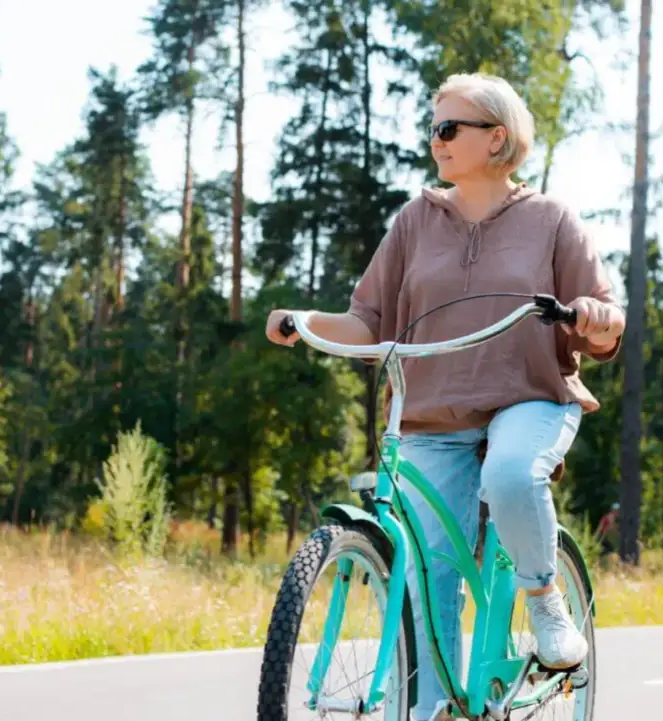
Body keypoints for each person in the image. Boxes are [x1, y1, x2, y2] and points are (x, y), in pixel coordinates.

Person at [265, 72, 625, 721]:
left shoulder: (550, 219)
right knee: (431, 574)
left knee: (512, 473)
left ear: (496, 137)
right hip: (431, 411)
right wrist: (306, 319)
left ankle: (545, 601)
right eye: (433, 127)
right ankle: (435, 706)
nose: (436, 140)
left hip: (528, 397)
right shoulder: (415, 221)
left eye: (448, 127)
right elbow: (367, 318)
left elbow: (604, 313)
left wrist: (597, 319)